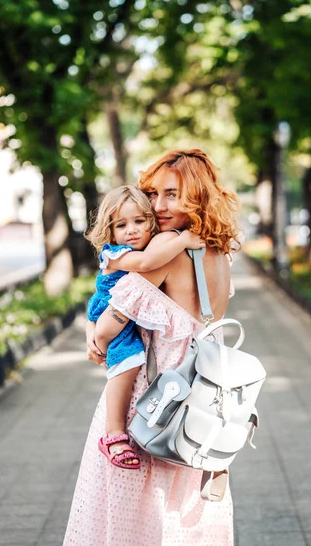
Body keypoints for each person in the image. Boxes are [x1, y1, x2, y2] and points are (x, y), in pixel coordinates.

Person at [63, 149, 241, 546]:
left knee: (141, 506)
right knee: (184, 505)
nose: (158, 205)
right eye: (153, 194)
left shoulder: (162, 256)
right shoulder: (219, 251)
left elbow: (110, 326)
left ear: (196, 195)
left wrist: (96, 335)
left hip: (155, 397)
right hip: (200, 399)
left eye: (172, 194)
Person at [84, 185, 204, 469]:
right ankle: (113, 433)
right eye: (121, 225)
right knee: (127, 364)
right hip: (111, 313)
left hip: (115, 314)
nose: (132, 230)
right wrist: (183, 239)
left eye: (139, 221)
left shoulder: (139, 247)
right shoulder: (117, 255)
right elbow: (148, 262)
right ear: (110, 232)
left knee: (126, 364)